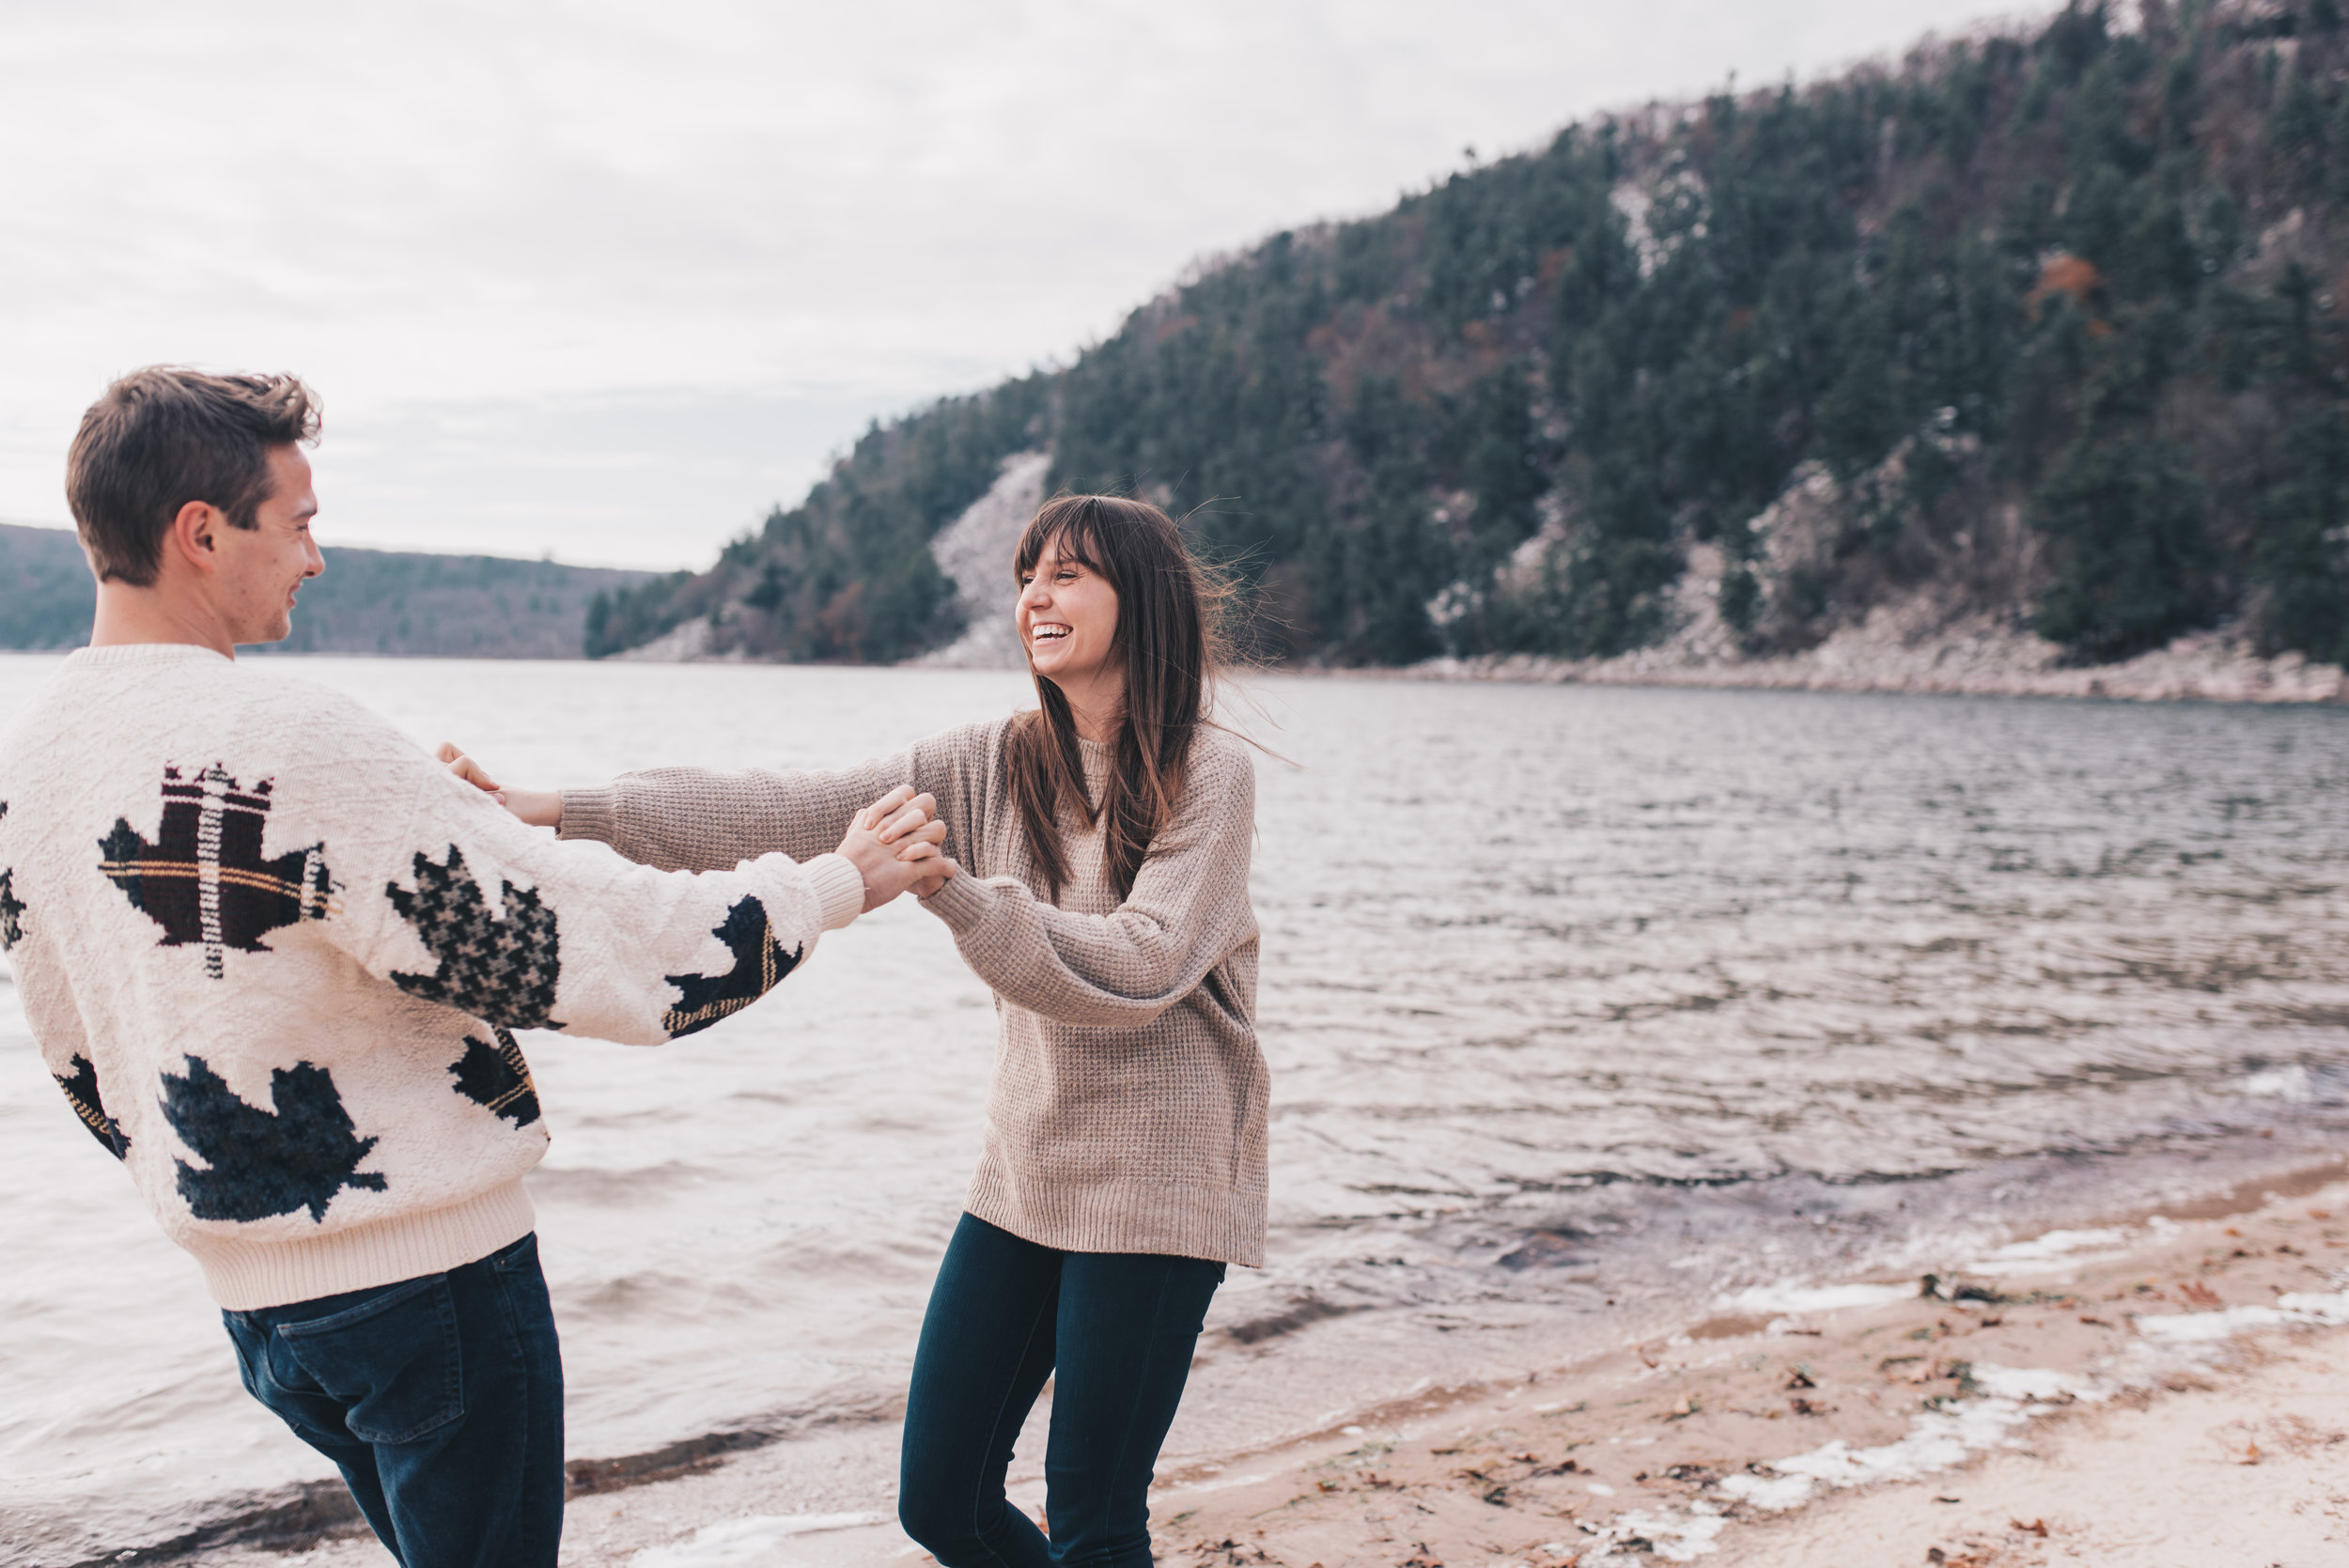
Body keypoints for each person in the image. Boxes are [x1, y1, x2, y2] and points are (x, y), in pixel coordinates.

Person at [0, 366, 947, 1568]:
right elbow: (609, 953)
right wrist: (837, 881)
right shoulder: (298, 740)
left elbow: (85, 1051)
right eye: (298, 522)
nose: (316, 557)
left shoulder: (27, 769)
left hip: (259, 1313)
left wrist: (449, 827)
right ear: (200, 533)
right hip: (424, 1287)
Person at [449, 493, 1264, 1567]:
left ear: (1141, 600)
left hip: (1162, 1183)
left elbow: (1142, 963)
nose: (1035, 596)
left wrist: (959, 895)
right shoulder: (990, 758)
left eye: (1067, 574)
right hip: (1027, 1171)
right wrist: (549, 807)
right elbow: (783, 808)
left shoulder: (1207, 774)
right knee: (943, 1502)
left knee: (1095, 1520)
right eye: (1026, 574)